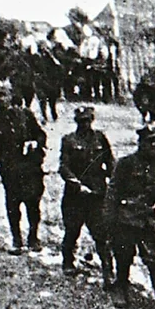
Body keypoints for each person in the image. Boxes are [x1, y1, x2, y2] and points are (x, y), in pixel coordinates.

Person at [105, 125, 155, 309]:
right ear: (140, 143)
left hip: (149, 219)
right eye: (150, 142)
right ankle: (121, 287)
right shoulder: (126, 163)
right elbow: (113, 192)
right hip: (127, 218)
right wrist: (109, 220)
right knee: (124, 256)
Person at [0, 84, 48, 253]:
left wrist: (35, 143)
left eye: (3, 95)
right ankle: (16, 239)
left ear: (11, 96)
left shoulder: (25, 115)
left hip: (30, 168)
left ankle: (33, 238)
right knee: (13, 206)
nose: (0, 99)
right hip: (10, 169)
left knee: (33, 205)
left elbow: (41, 134)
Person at [58, 106, 115, 282]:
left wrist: (113, 181)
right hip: (75, 196)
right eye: (82, 121)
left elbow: (110, 161)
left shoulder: (100, 138)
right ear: (77, 122)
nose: (85, 124)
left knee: (101, 233)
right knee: (72, 230)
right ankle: (68, 262)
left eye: (88, 120)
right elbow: (63, 167)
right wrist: (75, 183)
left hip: (97, 194)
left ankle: (108, 268)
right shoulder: (69, 140)